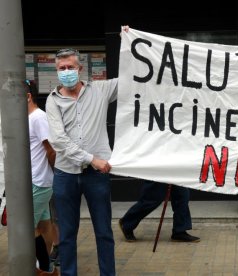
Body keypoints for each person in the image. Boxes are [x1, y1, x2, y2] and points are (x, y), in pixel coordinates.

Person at [45, 45, 121, 276]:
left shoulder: (101, 90)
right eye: (62, 68)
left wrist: (129, 41)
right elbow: (58, 141)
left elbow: (132, 77)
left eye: (70, 67)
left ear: (80, 69)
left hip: (96, 177)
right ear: (57, 71)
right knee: (67, 235)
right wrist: (91, 159)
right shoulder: (53, 101)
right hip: (65, 175)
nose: (66, 71)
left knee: (104, 232)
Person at [25, 80, 58, 276]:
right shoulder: (28, 118)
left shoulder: (38, 118)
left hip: (38, 181)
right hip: (37, 180)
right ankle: (49, 269)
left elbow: (51, 149)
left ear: (28, 96)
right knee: (44, 226)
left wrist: (53, 174)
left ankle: (44, 268)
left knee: (25, 227)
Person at [119, 180, 200, 243]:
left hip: (176, 165)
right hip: (159, 163)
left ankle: (179, 231)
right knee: (152, 199)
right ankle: (126, 223)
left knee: (182, 195)